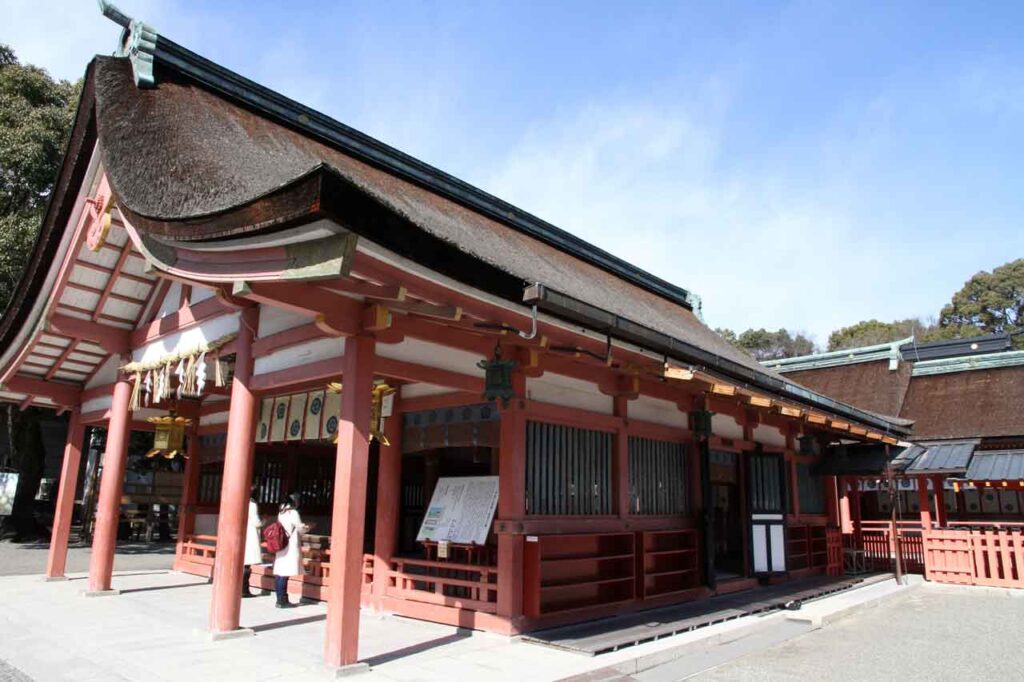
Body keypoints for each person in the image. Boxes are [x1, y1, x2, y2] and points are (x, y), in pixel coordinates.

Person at [272, 492, 307, 608]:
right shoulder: (293, 513)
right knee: (285, 573)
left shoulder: (281, 512)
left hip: (281, 543)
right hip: (290, 544)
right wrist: (306, 527)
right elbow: (300, 527)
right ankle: (282, 600)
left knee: (280, 572)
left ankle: (279, 598)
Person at [242, 486, 262, 598]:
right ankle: (244, 589)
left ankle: (242, 588)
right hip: (250, 534)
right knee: (246, 563)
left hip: (242, 532)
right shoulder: (252, 504)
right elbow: (256, 522)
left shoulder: (241, 501)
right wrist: (263, 521)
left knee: (243, 561)